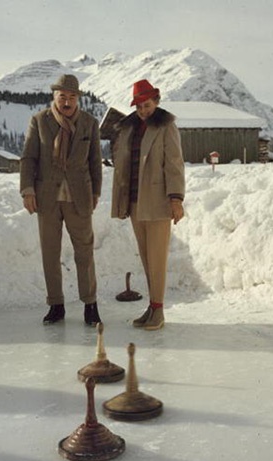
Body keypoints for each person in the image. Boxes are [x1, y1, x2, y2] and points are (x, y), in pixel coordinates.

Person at [20, 74, 103, 326]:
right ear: (54, 96)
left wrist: (96, 192)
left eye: (72, 97)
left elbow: (95, 161)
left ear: (78, 99)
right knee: (50, 252)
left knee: (84, 252)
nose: (67, 102)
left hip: (79, 196)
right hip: (47, 197)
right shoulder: (39, 121)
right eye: (62, 96)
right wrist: (27, 190)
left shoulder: (89, 123)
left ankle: (90, 304)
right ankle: (56, 304)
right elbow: (29, 158)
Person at [111, 79, 185, 330]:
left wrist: (176, 199)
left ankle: (159, 311)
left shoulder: (166, 126)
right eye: (139, 106)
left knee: (157, 259)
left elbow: (174, 164)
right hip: (135, 202)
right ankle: (152, 307)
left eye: (147, 105)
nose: (143, 111)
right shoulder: (129, 128)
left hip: (158, 201)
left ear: (156, 102)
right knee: (146, 258)